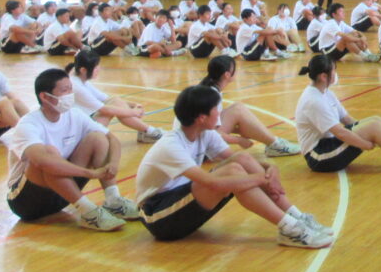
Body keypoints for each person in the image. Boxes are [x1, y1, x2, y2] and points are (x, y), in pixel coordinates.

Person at [136, 84, 332, 247]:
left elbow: (240, 159)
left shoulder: (205, 133)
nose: (220, 113)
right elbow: (213, 183)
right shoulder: (171, 145)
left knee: (241, 161)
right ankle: (290, 229)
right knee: (233, 172)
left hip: (181, 199)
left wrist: (270, 169)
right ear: (201, 118)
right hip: (158, 216)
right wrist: (263, 179)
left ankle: (296, 217)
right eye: (216, 109)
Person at [4, 68, 138, 231]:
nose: (70, 95)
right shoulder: (28, 124)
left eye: (70, 89)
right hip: (27, 203)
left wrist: (114, 164)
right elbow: (42, 161)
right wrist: (89, 173)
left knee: (97, 138)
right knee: (50, 154)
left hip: (61, 194)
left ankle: (113, 199)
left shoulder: (75, 115)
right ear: (45, 96)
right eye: (64, 90)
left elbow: (112, 139)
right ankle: (88, 212)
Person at [198, 55, 300, 157]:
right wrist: (238, 140)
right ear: (227, 75)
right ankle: (275, 145)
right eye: (235, 69)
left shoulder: (210, 89)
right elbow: (212, 133)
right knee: (238, 110)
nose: (237, 71)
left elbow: (212, 125)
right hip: (200, 148)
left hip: (201, 141)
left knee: (237, 107)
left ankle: (273, 143)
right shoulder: (213, 95)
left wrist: (244, 129)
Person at [66, 49, 162, 142]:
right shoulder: (75, 86)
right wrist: (134, 112)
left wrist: (132, 104)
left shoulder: (79, 77)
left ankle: (147, 131)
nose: (99, 69)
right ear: (83, 70)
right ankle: (150, 132)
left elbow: (106, 98)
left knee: (115, 100)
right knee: (113, 106)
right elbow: (105, 109)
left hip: (86, 122)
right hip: (80, 134)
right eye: (95, 67)